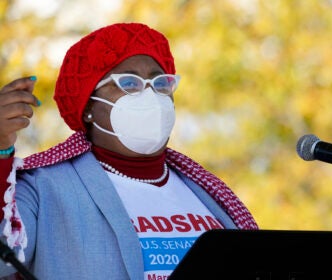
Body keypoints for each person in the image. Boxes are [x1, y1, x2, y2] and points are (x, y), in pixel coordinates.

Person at [0, 22, 258, 279]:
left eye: (160, 83)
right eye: (129, 83)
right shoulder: (43, 188)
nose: (150, 94)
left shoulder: (205, 191)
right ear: (88, 107)